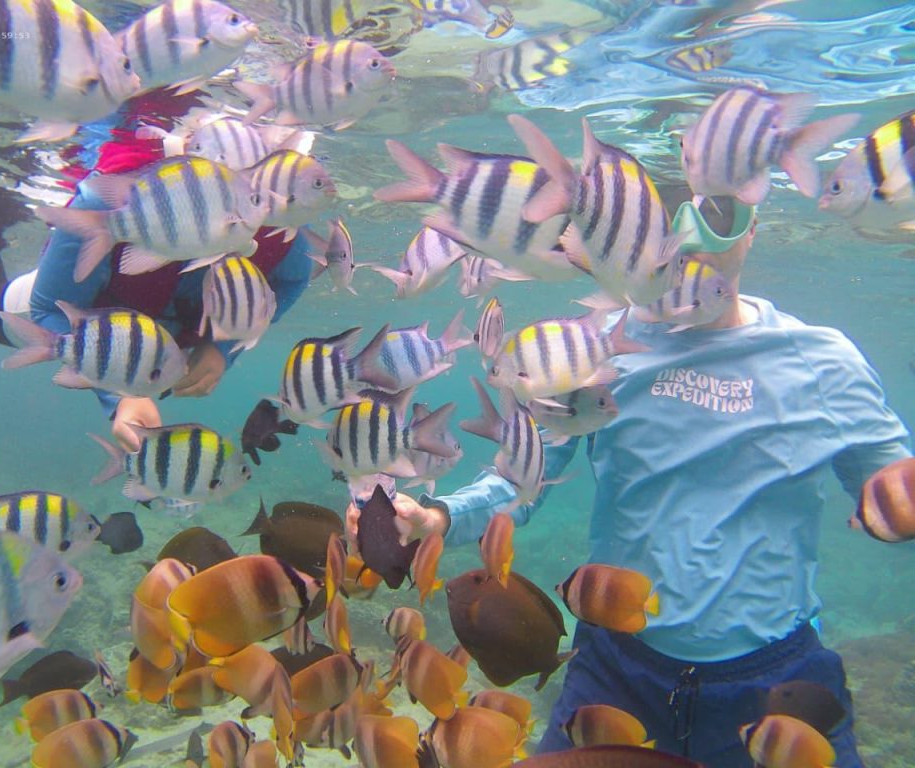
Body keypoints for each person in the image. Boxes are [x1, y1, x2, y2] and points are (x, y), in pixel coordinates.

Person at [347, 193, 911, 767]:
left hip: (776, 688)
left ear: (752, 228)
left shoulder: (823, 360)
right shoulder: (593, 347)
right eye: (669, 221)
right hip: (615, 673)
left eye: (719, 214)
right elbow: (525, 474)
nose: (691, 242)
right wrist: (437, 516)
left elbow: (896, 493)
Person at [0, 90, 313, 451]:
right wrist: (120, 396)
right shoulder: (112, 202)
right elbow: (47, 310)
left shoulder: (275, 225)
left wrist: (222, 348)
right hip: (66, 311)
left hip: (154, 349)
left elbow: (295, 279)